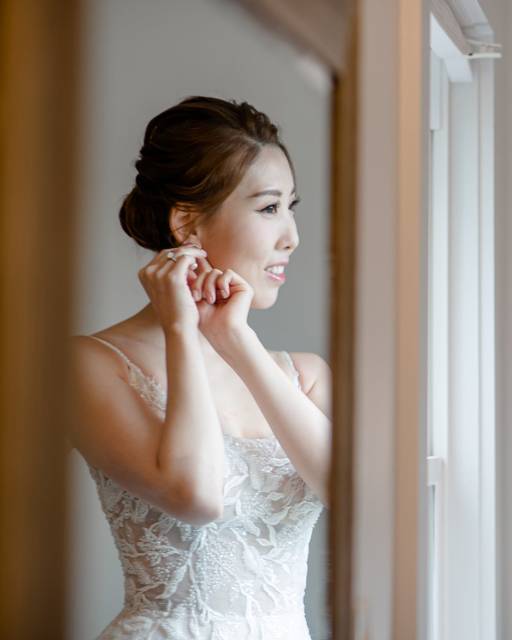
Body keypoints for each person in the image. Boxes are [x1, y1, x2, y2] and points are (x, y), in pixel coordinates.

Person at [69, 96, 331, 639]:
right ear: (187, 224)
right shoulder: (88, 365)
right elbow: (197, 496)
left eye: (291, 206)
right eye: (268, 208)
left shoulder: (306, 376)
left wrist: (235, 340)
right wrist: (180, 332)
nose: (292, 236)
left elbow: (356, 498)